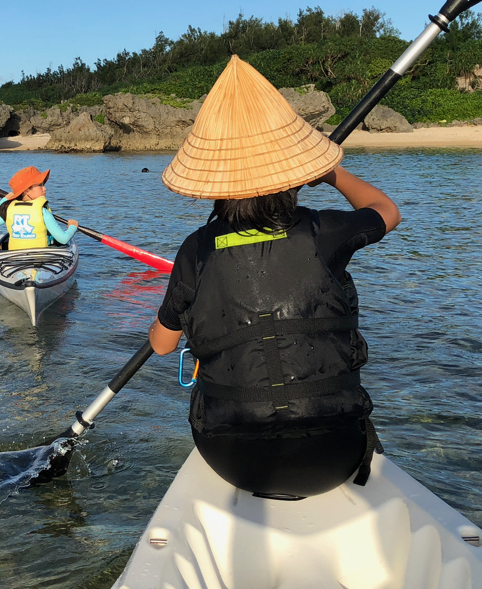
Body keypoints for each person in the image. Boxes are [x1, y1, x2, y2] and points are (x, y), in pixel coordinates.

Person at [146, 55, 400, 499]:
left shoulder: (196, 249)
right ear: (292, 174)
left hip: (233, 460)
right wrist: (334, 173)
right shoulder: (324, 231)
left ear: (217, 183)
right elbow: (387, 212)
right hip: (334, 455)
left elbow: (162, 346)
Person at [0, 165, 79, 249]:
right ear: (26, 190)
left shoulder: (9, 209)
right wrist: (72, 227)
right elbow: (63, 239)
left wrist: (5, 199)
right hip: (40, 259)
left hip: (15, 258)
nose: (44, 188)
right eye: (40, 185)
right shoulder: (43, 211)